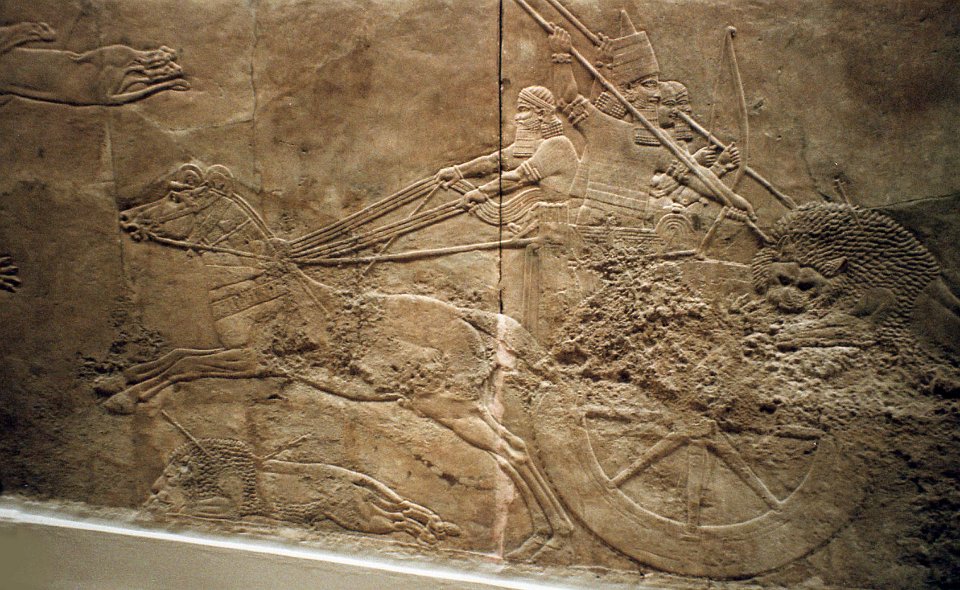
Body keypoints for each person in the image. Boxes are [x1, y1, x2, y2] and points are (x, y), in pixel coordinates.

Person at [549, 22, 754, 225]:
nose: (657, 95)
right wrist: (562, 57)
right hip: (594, 225)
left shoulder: (657, 141)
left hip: (635, 228)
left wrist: (733, 199)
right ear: (628, 91)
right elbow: (567, 99)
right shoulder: (602, 126)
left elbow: (695, 175)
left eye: (656, 86)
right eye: (648, 85)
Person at [435, 86, 578, 211]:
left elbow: (518, 178)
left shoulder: (558, 145)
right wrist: (458, 171)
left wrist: (482, 192)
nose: (517, 118)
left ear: (541, 114)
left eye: (523, 110)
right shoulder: (532, 146)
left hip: (567, 216)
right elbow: (493, 162)